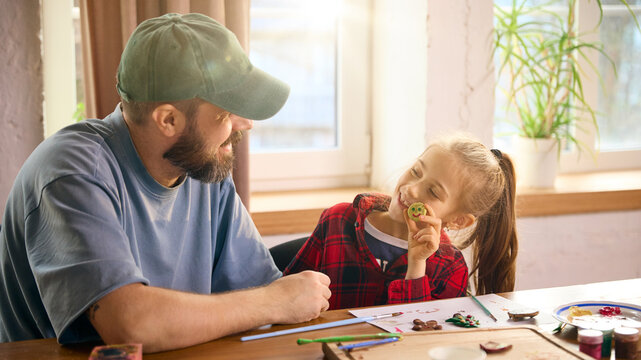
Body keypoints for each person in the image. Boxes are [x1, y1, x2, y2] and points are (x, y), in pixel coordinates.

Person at [0, 13, 331, 352]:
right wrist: (273, 301)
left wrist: (280, 300)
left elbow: (262, 295)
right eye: (228, 111)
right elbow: (130, 326)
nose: (245, 123)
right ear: (168, 119)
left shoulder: (201, 167)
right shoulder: (71, 171)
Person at [284, 134, 518, 309]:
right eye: (416, 171)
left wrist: (417, 264)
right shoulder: (337, 220)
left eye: (434, 192)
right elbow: (286, 295)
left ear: (458, 221)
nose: (412, 189)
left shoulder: (449, 267)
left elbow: (422, 341)